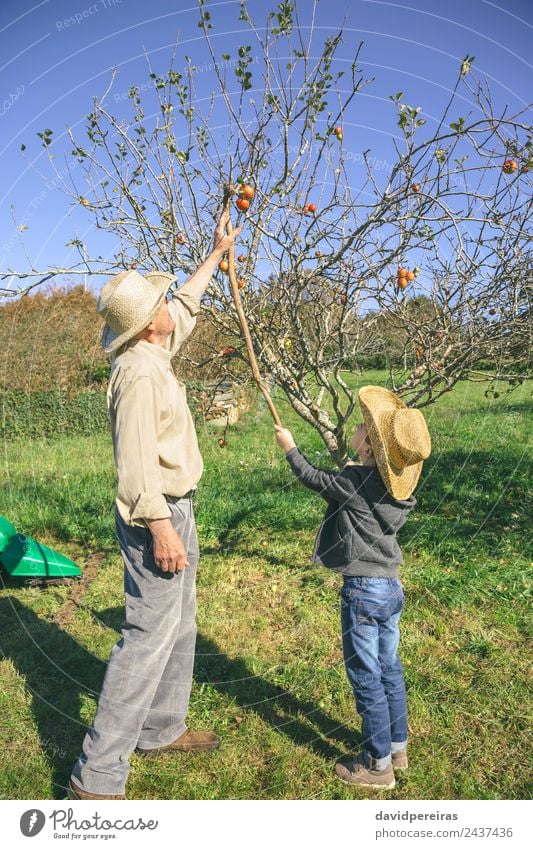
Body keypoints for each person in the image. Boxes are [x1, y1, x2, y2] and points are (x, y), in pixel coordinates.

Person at [68, 210, 241, 800]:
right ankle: (97, 777)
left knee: (179, 625)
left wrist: (217, 253)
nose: (173, 304)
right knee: (145, 636)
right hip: (156, 514)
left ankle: (161, 729)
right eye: (162, 301)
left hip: (178, 507)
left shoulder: (156, 348)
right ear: (147, 325)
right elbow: (136, 465)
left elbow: (187, 304)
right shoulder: (140, 373)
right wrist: (162, 528)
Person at [274, 386, 431, 790]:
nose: (357, 428)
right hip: (391, 587)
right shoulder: (398, 490)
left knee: (365, 676)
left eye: (362, 428)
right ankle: (399, 747)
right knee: (389, 669)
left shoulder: (355, 482)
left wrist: (289, 447)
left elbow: (313, 478)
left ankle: (378, 767)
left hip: (362, 590)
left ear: (369, 449)